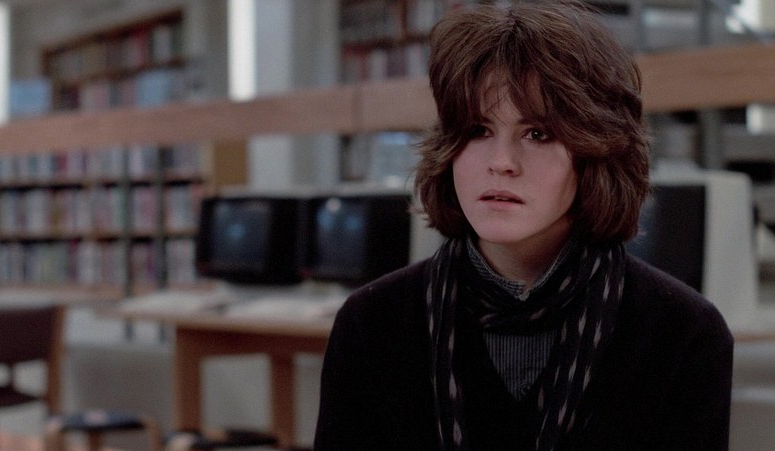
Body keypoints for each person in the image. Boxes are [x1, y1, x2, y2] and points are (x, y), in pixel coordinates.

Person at [314, 1, 733, 450]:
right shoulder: (372, 325)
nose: (501, 163)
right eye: (477, 130)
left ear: (595, 153)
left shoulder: (682, 333)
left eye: (537, 134)